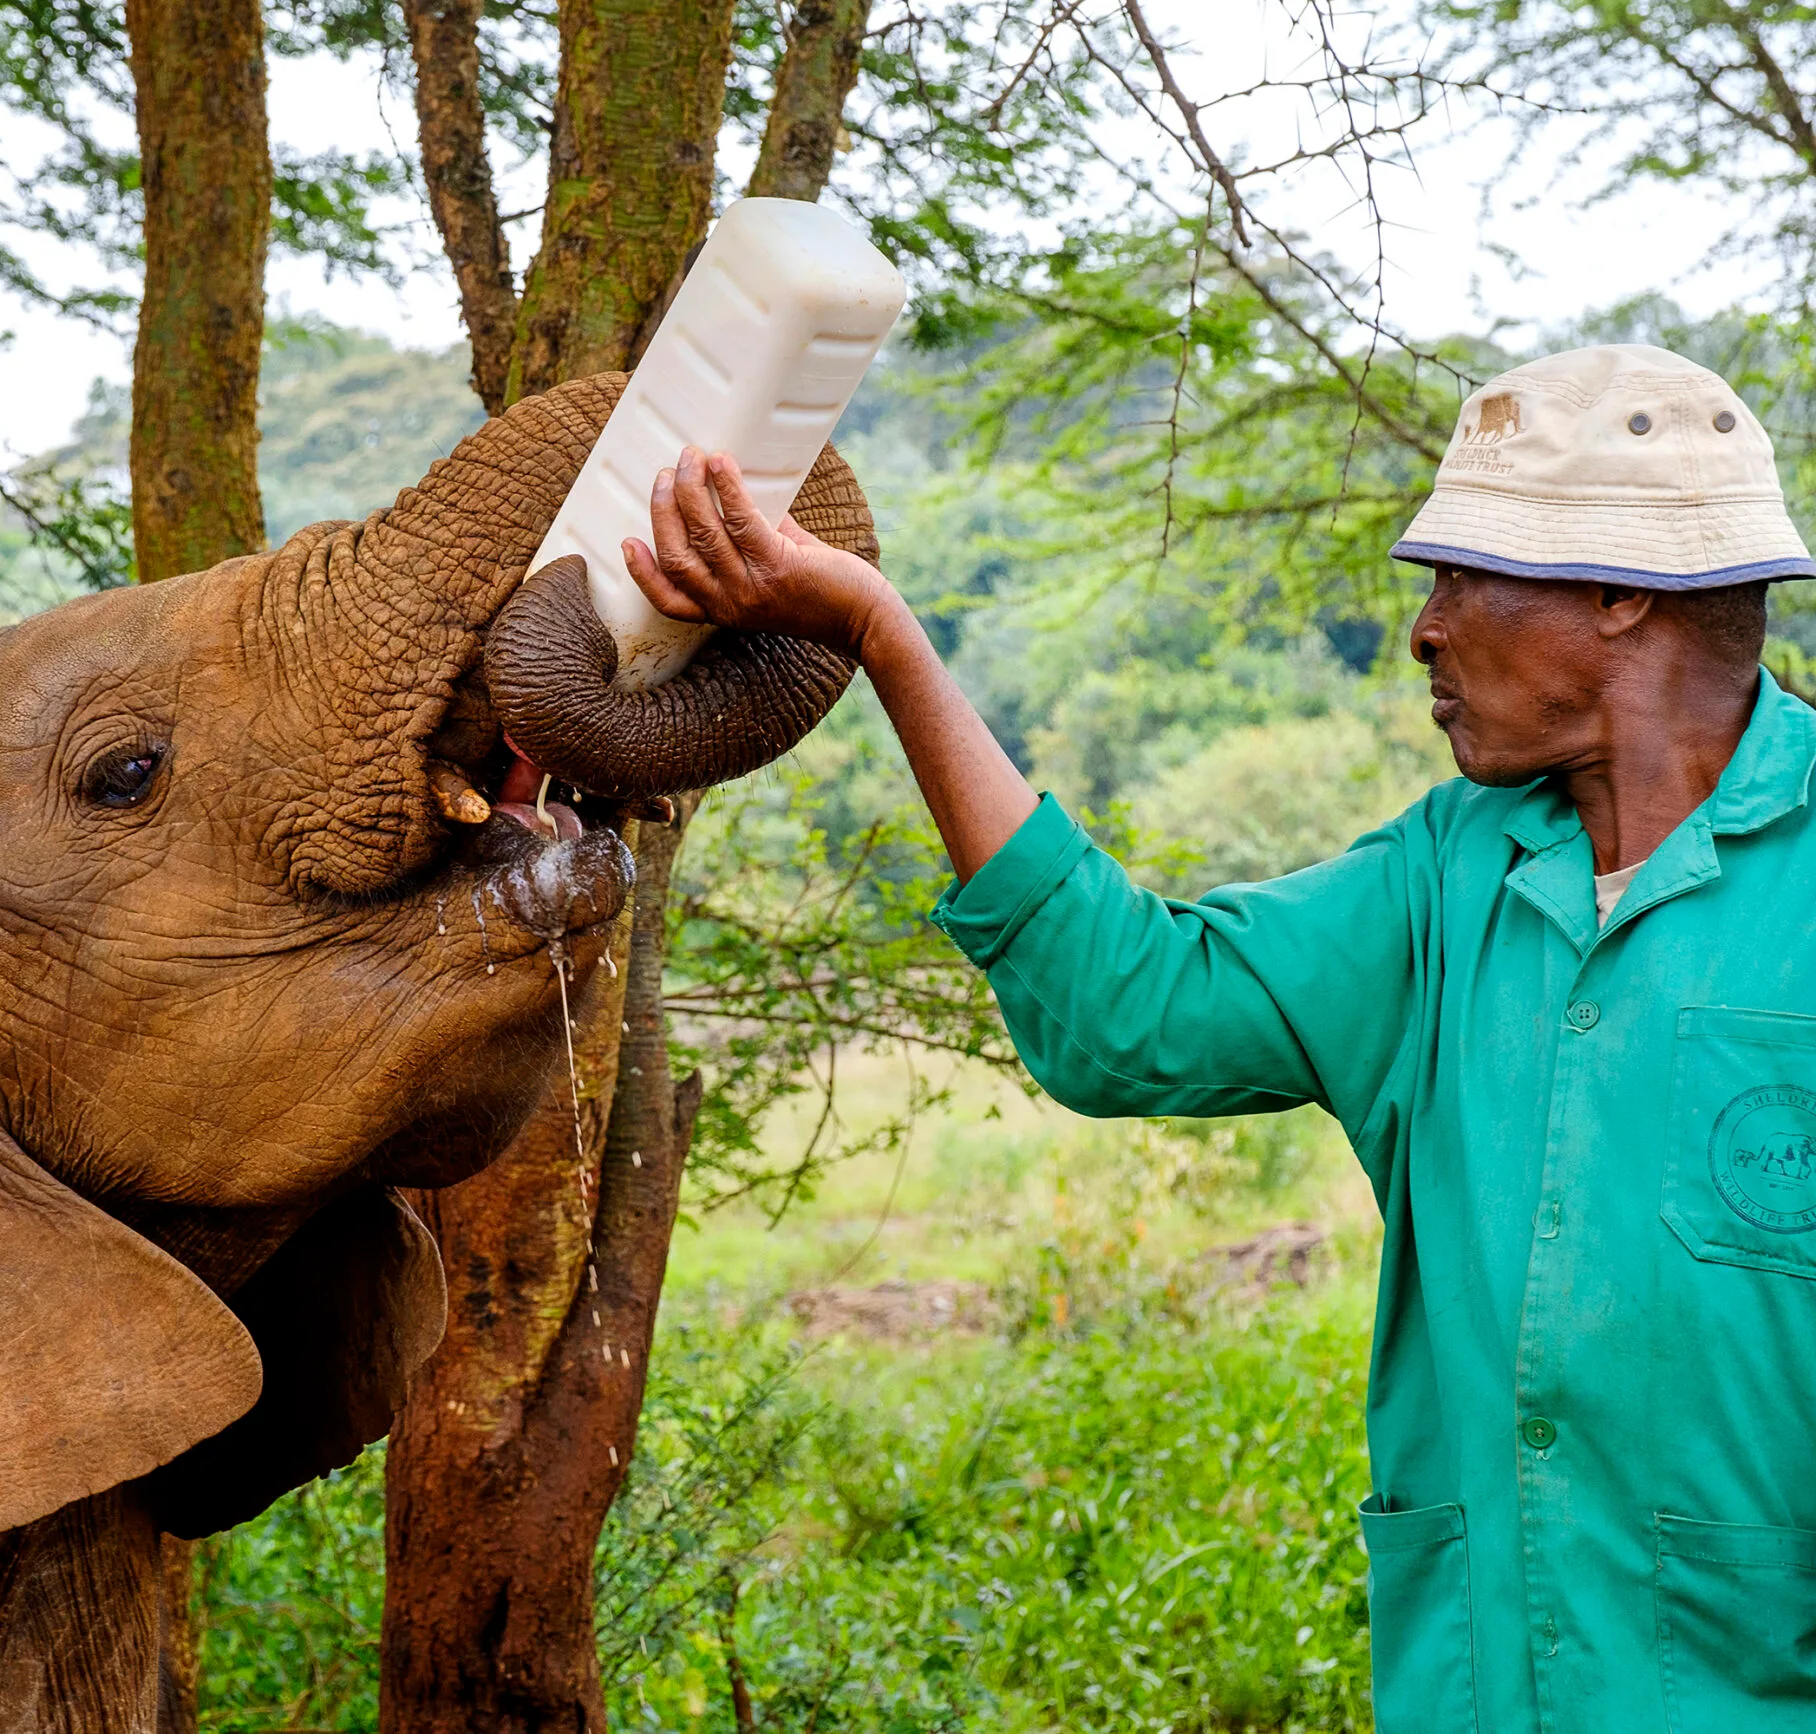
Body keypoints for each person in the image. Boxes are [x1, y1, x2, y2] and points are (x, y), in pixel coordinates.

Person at [622, 343, 1816, 1733]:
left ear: (1621, 591)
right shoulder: (1448, 880)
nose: (1424, 630)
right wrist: (883, 634)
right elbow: (1130, 1010)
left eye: (1458, 574)